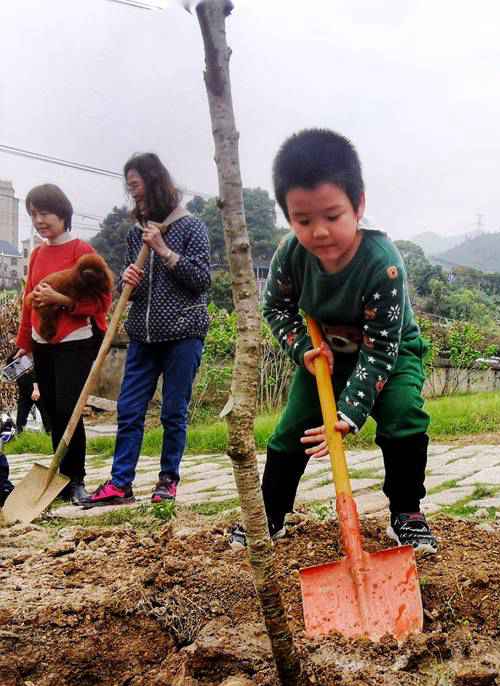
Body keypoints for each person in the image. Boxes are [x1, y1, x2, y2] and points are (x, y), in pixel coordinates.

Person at [230, 128, 436, 554]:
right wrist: (300, 348)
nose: (319, 232)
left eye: (332, 216)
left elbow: (381, 351)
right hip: (322, 356)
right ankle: (270, 513)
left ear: (358, 206)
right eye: (303, 220)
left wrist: (348, 414)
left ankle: (407, 512)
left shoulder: (384, 265)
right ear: (288, 216)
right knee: (292, 430)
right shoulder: (291, 256)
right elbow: (277, 309)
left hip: (389, 356)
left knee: (403, 415)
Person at [83, 154, 211, 507]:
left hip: (183, 332)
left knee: (173, 410)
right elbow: (136, 292)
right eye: (129, 188)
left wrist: (164, 251)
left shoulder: (191, 227)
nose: (132, 194)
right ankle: (120, 483)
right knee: (129, 408)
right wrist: (129, 280)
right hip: (143, 334)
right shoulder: (134, 234)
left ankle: (167, 480)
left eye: (136, 186)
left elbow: (201, 280)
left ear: (155, 183)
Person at [14, 184, 113, 505]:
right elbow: (29, 300)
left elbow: (102, 300)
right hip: (42, 342)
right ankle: (60, 477)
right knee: (52, 411)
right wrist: (24, 344)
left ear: (62, 213)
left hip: (74, 341)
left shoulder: (81, 251)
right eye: (33, 214)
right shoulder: (38, 253)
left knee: (69, 409)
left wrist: (64, 301)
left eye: (45, 213)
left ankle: (77, 479)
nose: (39, 220)